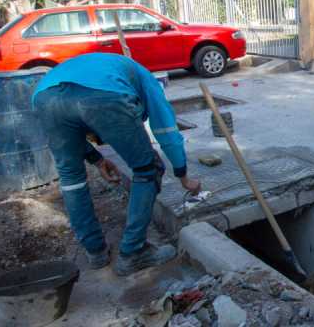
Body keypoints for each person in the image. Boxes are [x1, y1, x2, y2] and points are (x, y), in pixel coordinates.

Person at [32, 53, 201, 276]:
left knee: (71, 180)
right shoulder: (146, 78)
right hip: (103, 94)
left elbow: (72, 132)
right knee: (148, 169)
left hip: (44, 97)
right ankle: (133, 253)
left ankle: (95, 252)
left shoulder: (107, 67)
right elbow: (166, 128)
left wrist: (98, 160)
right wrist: (183, 175)